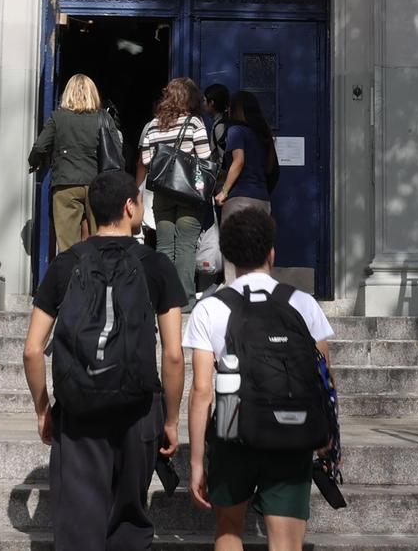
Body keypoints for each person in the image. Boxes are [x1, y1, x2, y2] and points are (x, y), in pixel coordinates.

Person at [22, 170, 185, 551]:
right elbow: (174, 355)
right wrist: (171, 420)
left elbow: (32, 350)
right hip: (139, 411)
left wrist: (43, 409)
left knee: (80, 526)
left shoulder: (65, 264)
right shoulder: (157, 265)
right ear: (130, 207)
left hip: (79, 410)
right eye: (140, 202)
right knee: (129, 520)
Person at [187, 208, 334, 551]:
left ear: (228, 256)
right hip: (293, 431)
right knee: (286, 543)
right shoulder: (303, 303)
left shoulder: (210, 308)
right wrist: (327, 433)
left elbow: (202, 391)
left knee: (228, 530)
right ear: (272, 252)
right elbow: (324, 376)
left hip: (232, 430)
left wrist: (197, 460)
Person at [135, 78, 213, 294]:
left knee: (165, 245)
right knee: (186, 245)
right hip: (189, 192)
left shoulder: (153, 125)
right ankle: (185, 298)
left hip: (162, 192)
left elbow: (147, 159)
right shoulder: (194, 123)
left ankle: (164, 295)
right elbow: (205, 156)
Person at [30, 75, 107, 253]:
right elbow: (116, 152)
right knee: (101, 242)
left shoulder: (58, 118)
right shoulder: (103, 118)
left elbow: (40, 146)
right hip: (97, 184)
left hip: (65, 184)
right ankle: (97, 278)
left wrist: (34, 162)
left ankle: (72, 278)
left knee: (68, 248)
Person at [214, 90, 278, 217]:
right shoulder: (263, 134)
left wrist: (224, 192)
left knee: (234, 237)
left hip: (239, 199)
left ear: (235, 109)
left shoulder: (236, 131)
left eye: (230, 107)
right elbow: (273, 170)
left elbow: (239, 161)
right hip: (262, 200)